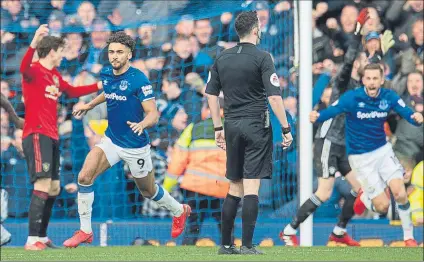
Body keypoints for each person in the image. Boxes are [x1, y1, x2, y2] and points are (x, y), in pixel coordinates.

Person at [63, 31, 191, 248]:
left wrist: (142, 124)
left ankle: (179, 210)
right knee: (85, 176)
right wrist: (89, 105)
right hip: (112, 139)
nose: (114, 56)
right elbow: (108, 90)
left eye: (119, 52)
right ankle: (85, 231)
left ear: (129, 54)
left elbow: (153, 113)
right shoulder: (106, 72)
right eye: (111, 51)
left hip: (135, 146)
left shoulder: (139, 79)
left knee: (148, 190)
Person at [205, 11, 293, 255]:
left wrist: (217, 127)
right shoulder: (263, 57)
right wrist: (286, 128)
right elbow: (274, 97)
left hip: (231, 125)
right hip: (256, 125)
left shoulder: (223, 57)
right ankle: (246, 246)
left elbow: (210, 94)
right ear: (256, 30)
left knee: (235, 187)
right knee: (251, 186)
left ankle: (225, 245)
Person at [281, 8, 370, 247]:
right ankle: (289, 231)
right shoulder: (343, 80)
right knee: (323, 193)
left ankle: (339, 232)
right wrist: (359, 32)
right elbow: (351, 55)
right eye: (360, 61)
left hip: (340, 143)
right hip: (328, 140)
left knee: (360, 189)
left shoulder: (360, 88)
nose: (362, 62)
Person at [310, 63, 423, 247]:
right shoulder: (352, 98)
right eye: (368, 78)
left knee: (400, 192)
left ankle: (408, 237)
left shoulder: (388, 97)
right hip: (361, 158)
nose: (371, 82)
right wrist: (317, 116)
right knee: (382, 206)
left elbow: (407, 113)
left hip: (383, 151)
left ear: (381, 80)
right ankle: (364, 197)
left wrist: (416, 118)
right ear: (363, 80)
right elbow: (332, 110)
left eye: (375, 79)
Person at [19, 24, 101, 251]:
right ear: (52, 51)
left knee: (54, 187)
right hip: (37, 134)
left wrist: (100, 85)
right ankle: (31, 239)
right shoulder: (33, 69)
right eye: (61, 50)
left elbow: (73, 92)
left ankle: (42, 237)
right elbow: (23, 66)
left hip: (52, 135)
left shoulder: (54, 76)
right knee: (43, 183)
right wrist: (35, 40)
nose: (64, 54)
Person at [163, 100, 229, 245]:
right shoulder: (234, 129)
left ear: (206, 109)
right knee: (226, 230)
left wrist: (166, 189)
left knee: (192, 229)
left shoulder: (193, 129)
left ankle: (187, 254)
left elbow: (177, 161)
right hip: (223, 189)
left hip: (195, 188)